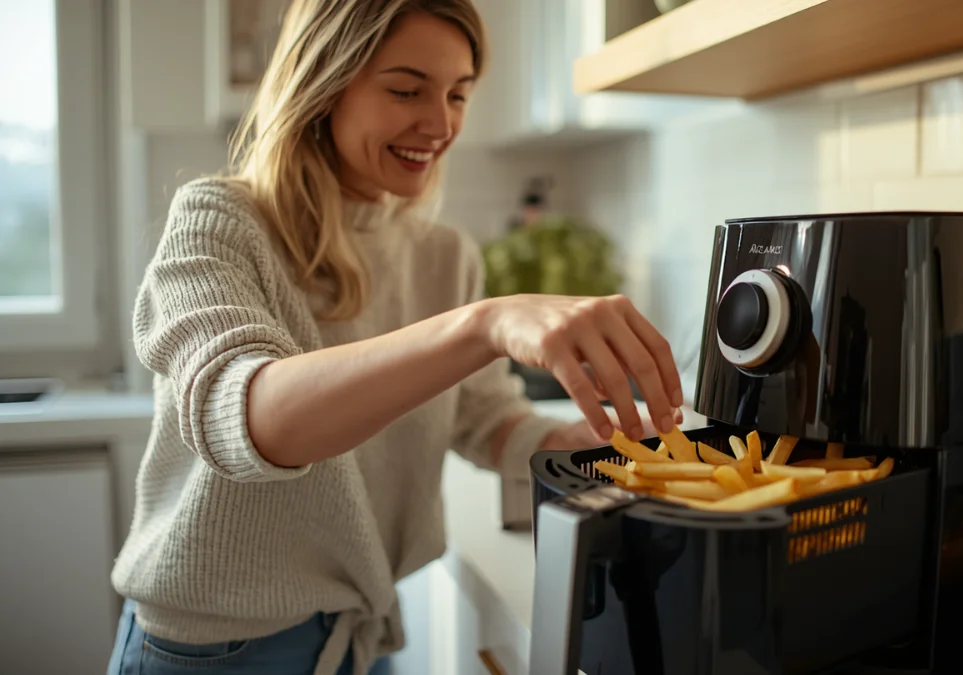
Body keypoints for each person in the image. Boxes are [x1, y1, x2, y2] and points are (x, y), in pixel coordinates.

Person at [104, 1, 682, 674]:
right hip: (211, 648)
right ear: (325, 83)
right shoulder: (218, 219)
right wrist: (485, 322)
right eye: (406, 89)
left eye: (458, 94)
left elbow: (481, 417)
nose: (440, 124)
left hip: (359, 635)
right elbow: (251, 418)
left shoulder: (446, 255)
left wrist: (582, 444)